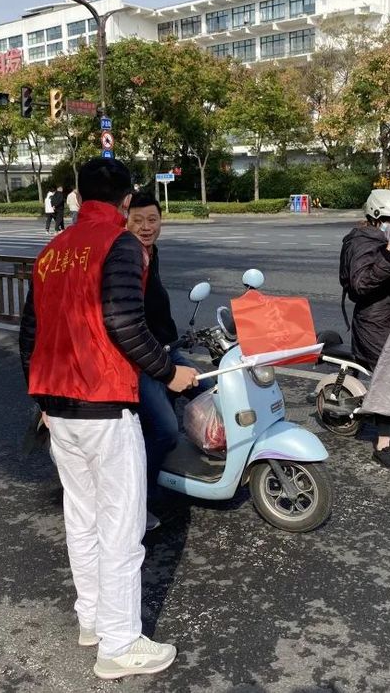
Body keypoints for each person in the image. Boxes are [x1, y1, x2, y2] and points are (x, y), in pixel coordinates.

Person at [19, 158, 197, 680]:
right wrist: (169, 372)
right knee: (121, 527)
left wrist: (41, 399)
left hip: (58, 406)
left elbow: (28, 333)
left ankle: (92, 620)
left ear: (78, 196)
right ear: (125, 200)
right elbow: (125, 322)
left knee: (83, 518)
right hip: (104, 404)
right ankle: (119, 645)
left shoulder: (52, 250)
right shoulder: (119, 244)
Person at [126, 192, 213, 530]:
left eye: (152, 220)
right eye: (137, 220)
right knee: (164, 430)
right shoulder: (125, 258)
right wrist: (163, 368)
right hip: (143, 358)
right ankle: (138, 503)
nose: (146, 227)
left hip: (167, 348)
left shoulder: (152, 252)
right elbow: (126, 324)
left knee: (211, 394)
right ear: (124, 222)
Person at [339, 189, 390, 470]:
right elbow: (360, 285)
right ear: (376, 218)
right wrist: (389, 257)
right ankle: (383, 445)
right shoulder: (361, 242)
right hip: (373, 321)